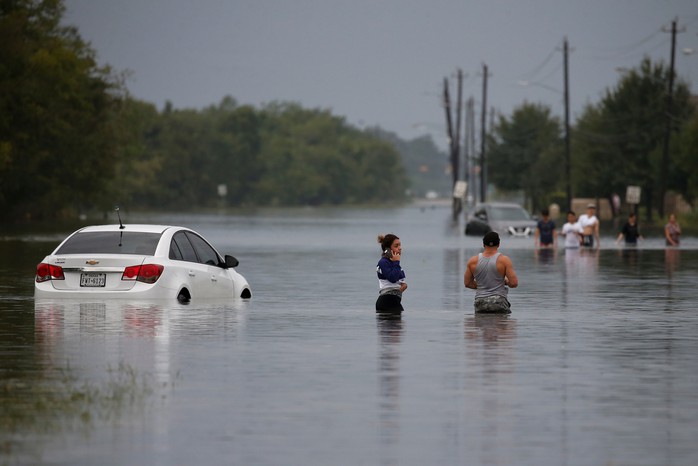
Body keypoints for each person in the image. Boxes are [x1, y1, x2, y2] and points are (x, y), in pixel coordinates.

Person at [464, 231, 519, 313]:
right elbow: (514, 283)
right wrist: (505, 282)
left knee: (480, 324)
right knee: (506, 324)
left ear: (483, 244)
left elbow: (467, 283)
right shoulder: (504, 260)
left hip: (480, 302)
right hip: (499, 302)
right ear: (499, 244)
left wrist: (483, 285)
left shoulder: (473, 261)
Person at [375, 234, 407, 313]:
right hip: (386, 301)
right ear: (388, 249)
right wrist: (396, 262)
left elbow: (398, 282)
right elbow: (392, 278)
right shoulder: (383, 262)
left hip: (394, 300)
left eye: (400, 245)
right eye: (396, 246)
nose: (400, 248)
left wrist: (403, 286)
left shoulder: (394, 264)